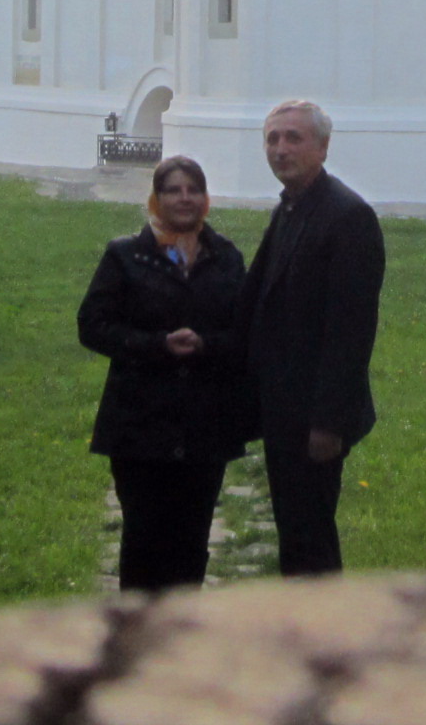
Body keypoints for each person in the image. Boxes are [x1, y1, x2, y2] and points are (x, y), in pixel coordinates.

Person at [76, 154, 250, 593]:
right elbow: (93, 326)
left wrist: (206, 344)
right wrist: (156, 345)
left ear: (205, 198)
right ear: (157, 198)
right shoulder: (126, 256)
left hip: (204, 424)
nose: (184, 198)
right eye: (173, 190)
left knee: (191, 542)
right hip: (140, 423)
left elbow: (247, 332)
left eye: (194, 189)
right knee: (144, 539)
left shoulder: (225, 257)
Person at [241, 99, 385, 577]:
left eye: (293, 138)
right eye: (272, 139)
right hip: (282, 406)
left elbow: (351, 331)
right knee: (295, 529)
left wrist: (328, 424)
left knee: (310, 536)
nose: (280, 149)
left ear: (323, 147)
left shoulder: (348, 216)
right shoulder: (290, 206)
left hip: (315, 417)